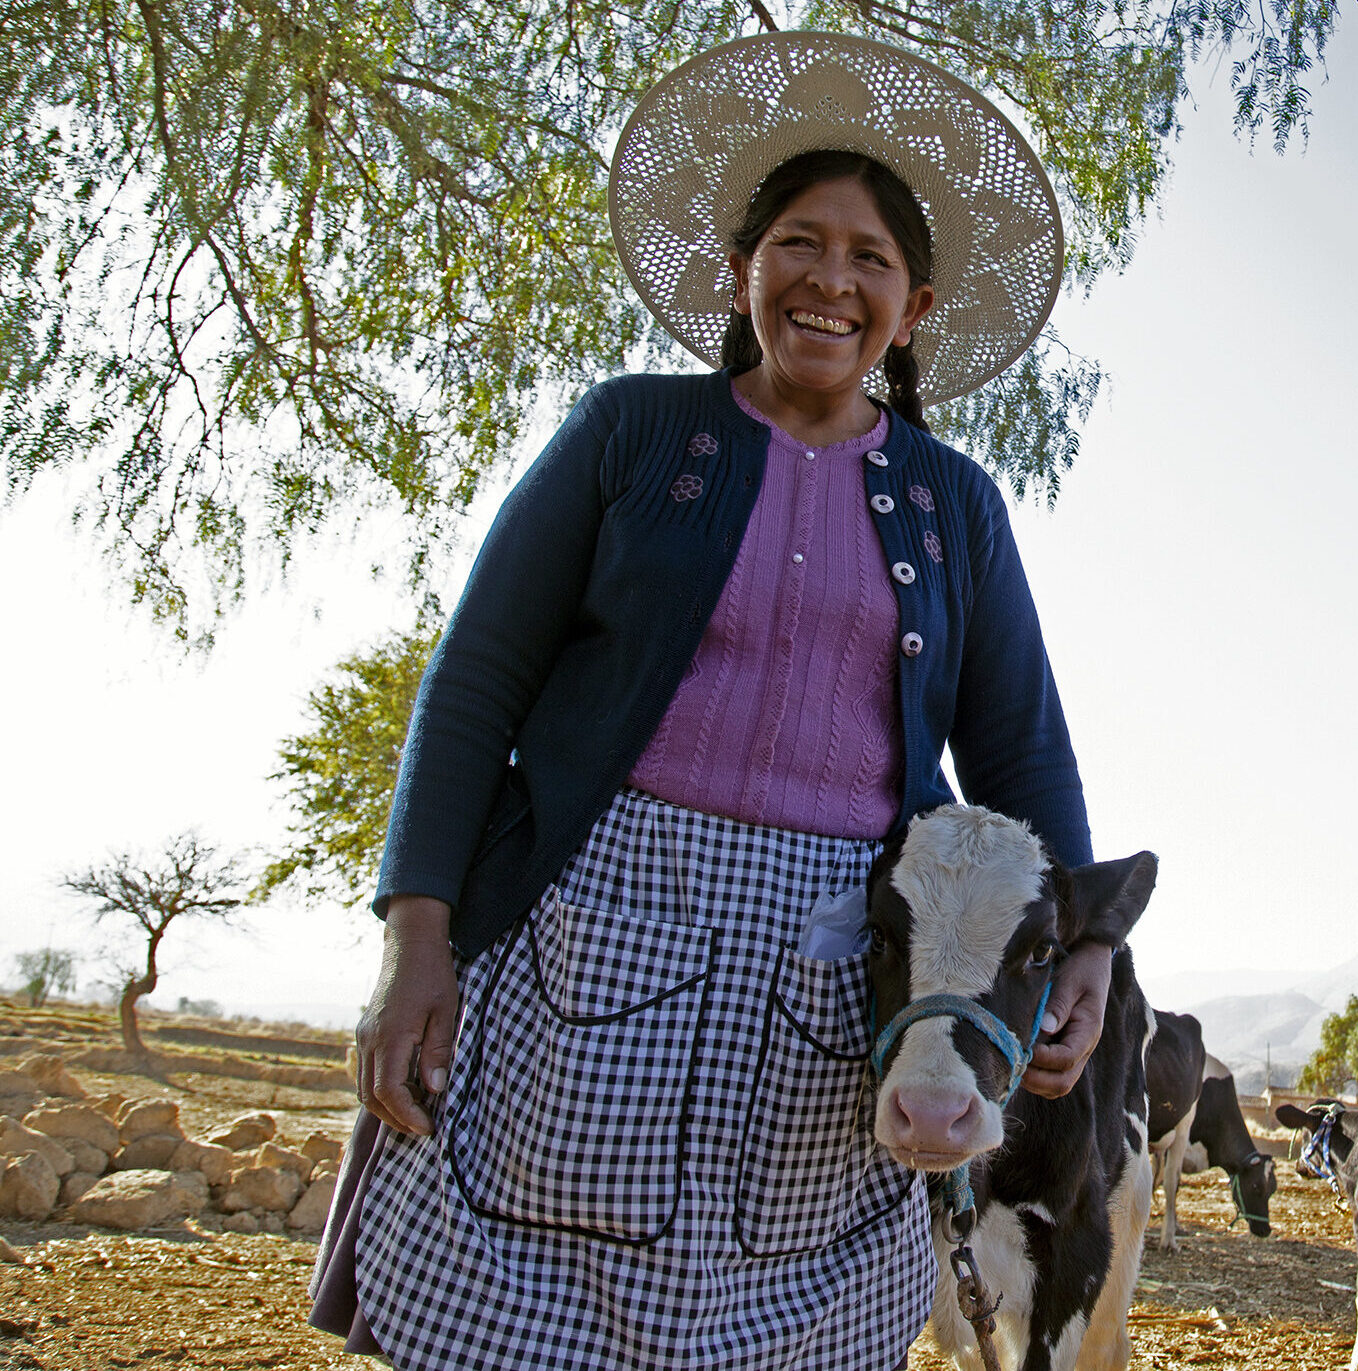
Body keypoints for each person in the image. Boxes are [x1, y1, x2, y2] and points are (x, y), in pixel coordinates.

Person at [308, 32, 1109, 1370]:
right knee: (520, 1316)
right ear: (742, 271)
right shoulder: (630, 434)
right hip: (581, 930)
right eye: (799, 241)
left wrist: (1085, 947)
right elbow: (477, 685)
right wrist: (417, 935)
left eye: (871, 260)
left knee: (774, 1319)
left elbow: (1021, 744)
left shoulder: (955, 505)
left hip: (833, 959)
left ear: (911, 311)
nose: (830, 280)